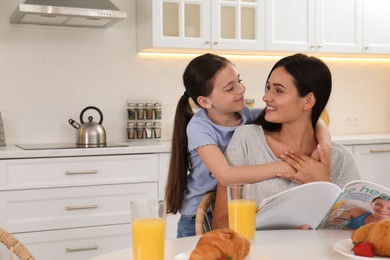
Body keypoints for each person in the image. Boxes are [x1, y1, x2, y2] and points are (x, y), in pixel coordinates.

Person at [165, 53, 331, 238]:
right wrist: (287, 166)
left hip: (232, 202)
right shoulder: (199, 127)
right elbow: (226, 175)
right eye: (230, 88)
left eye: (239, 80)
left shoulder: (244, 115)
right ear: (205, 101)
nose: (241, 89)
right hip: (198, 214)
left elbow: (309, 119)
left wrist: (325, 146)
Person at [212, 53, 360, 229]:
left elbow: (351, 226)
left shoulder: (340, 158)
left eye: (278, 90)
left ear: (308, 100)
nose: (266, 97)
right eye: (268, 87)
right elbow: (220, 222)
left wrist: (322, 182)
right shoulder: (246, 140)